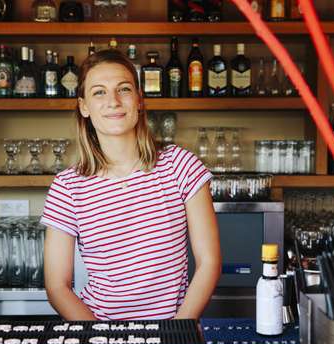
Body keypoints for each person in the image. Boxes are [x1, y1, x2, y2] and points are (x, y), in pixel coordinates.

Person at [40, 49, 221, 321]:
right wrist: (100, 340)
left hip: (173, 329)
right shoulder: (68, 187)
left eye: (123, 89)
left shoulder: (180, 166)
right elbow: (57, 287)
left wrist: (177, 332)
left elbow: (209, 262)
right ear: (84, 106)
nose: (113, 101)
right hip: (99, 333)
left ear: (139, 100)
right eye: (99, 92)